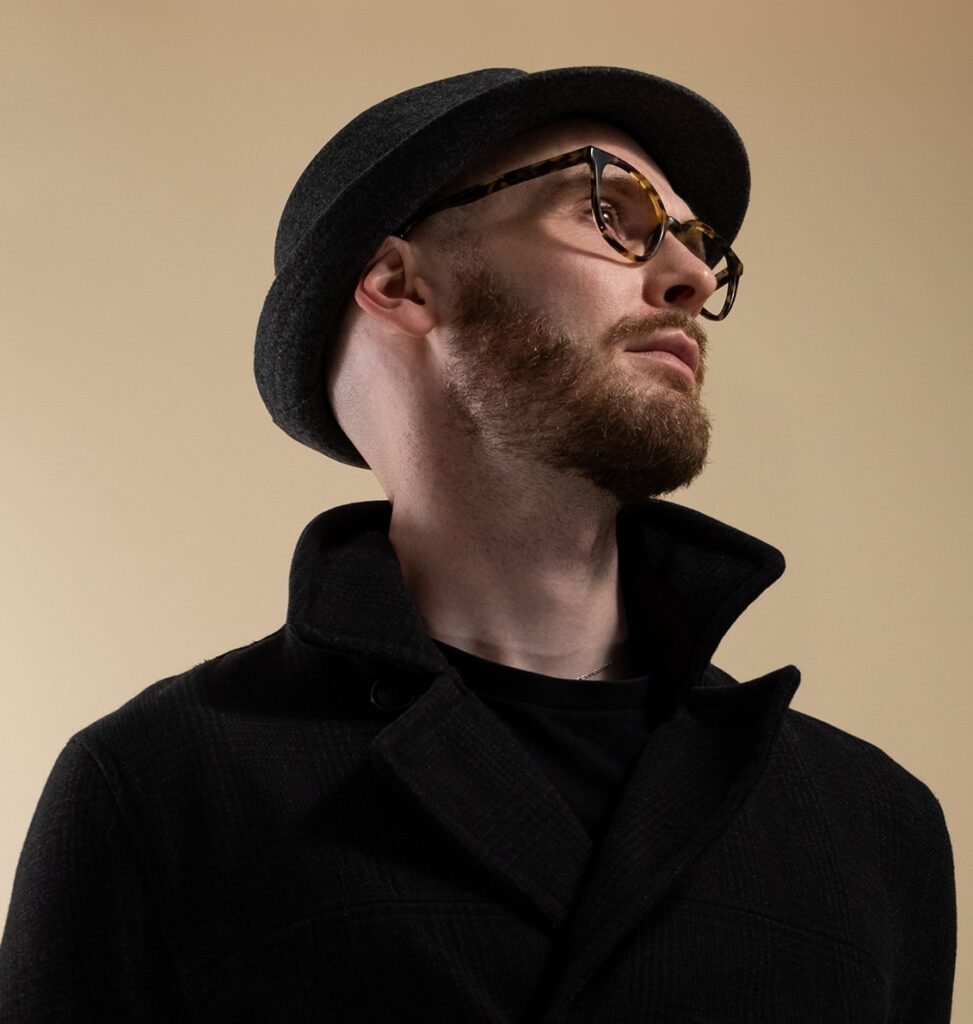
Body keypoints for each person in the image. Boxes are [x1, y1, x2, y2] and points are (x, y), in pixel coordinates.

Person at [0, 66, 956, 1022]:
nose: (693, 277)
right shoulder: (159, 792)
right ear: (397, 282)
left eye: (702, 249)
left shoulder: (873, 826)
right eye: (608, 210)